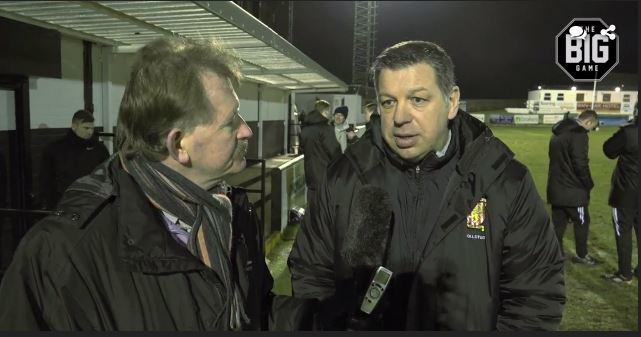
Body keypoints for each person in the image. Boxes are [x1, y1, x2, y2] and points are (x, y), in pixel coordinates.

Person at [288, 40, 565, 330]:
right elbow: (311, 275)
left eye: (418, 100)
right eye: (388, 102)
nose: (400, 117)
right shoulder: (344, 179)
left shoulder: (505, 181)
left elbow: (536, 298)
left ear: (452, 101)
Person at [0, 36, 273, 330]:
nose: (246, 130)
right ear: (178, 144)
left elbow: (255, 310)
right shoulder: (58, 259)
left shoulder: (231, 212)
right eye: (231, 121)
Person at [547, 109, 599, 265]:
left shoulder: (557, 133)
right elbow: (580, 164)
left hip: (556, 188)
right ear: (588, 122)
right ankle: (582, 255)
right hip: (574, 192)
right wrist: (588, 183)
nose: (591, 130)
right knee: (582, 222)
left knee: (558, 224)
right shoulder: (579, 135)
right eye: (592, 126)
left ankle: (556, 255)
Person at [38, 109, 110, 209]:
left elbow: (108, 176)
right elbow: (46, 180)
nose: (90, 132)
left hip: (92, 203)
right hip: (65, 203)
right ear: (74, 126)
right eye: (86, 128)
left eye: (92, 128)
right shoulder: (55, 150)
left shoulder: (99, 150)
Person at [601, 102, 638, 283]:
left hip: (626, 192)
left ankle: (625, 273)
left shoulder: (629, 132)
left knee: (623, 232)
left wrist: (622, 132)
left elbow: (608, 150)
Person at [299, 100, 341, 227]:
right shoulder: (326, 129)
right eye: (328, 111)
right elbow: (335, 152)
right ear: (323, 112)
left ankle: (312, 233)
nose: (330, 114)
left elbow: (302, 149)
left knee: (313, 209)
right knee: (325, 212)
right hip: (325, 176)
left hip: (310, 176)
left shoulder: (305, 129)